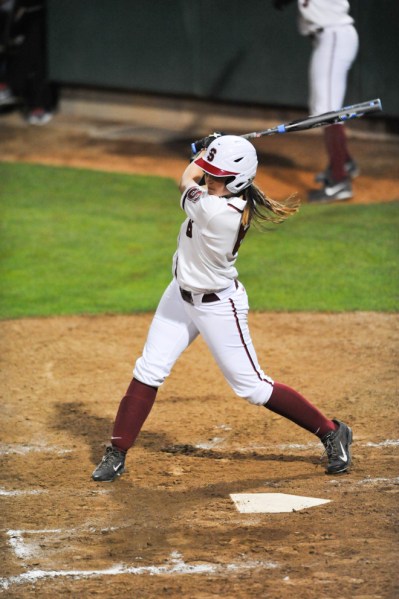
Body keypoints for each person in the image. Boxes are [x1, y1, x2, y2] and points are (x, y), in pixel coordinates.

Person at [92, 134, 353, 483]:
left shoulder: (216, 211)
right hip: (180, 296)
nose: (211, 180)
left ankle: (332, 430)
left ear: (239, 180)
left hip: (219, 306)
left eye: (218, 175)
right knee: (149, 369)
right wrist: (214, 151)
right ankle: (118, 452)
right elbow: (202, 175)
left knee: (253, 387)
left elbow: (187, 178)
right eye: (212, 173)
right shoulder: (226, 195)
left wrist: (202, 153)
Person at [273, 0, 359, 202]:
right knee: (323, 109)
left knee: (327, 113)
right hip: (327, 38)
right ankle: (344, 163)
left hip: (334, 34)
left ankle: (340, 181)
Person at [0, 0, 54, 124]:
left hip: (35, 17)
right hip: (13, 18)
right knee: (39, 34)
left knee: (40, 34)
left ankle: (10, 85)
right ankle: (38, 103)